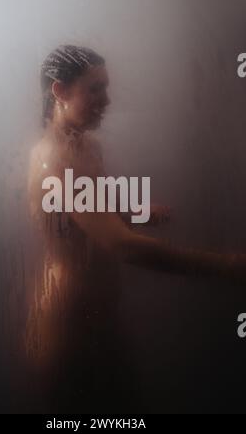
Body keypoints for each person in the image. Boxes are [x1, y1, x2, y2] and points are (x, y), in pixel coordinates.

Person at [24, 44, 246, 413]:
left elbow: (89, 219)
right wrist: (228, 267)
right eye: (94, 89)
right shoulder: (55, 158)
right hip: (68, 325)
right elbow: (122, 246)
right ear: (59, 91)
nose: (107, 100)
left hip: (100, 319)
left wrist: (136, 213)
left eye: (106, 88)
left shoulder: (85, 146)